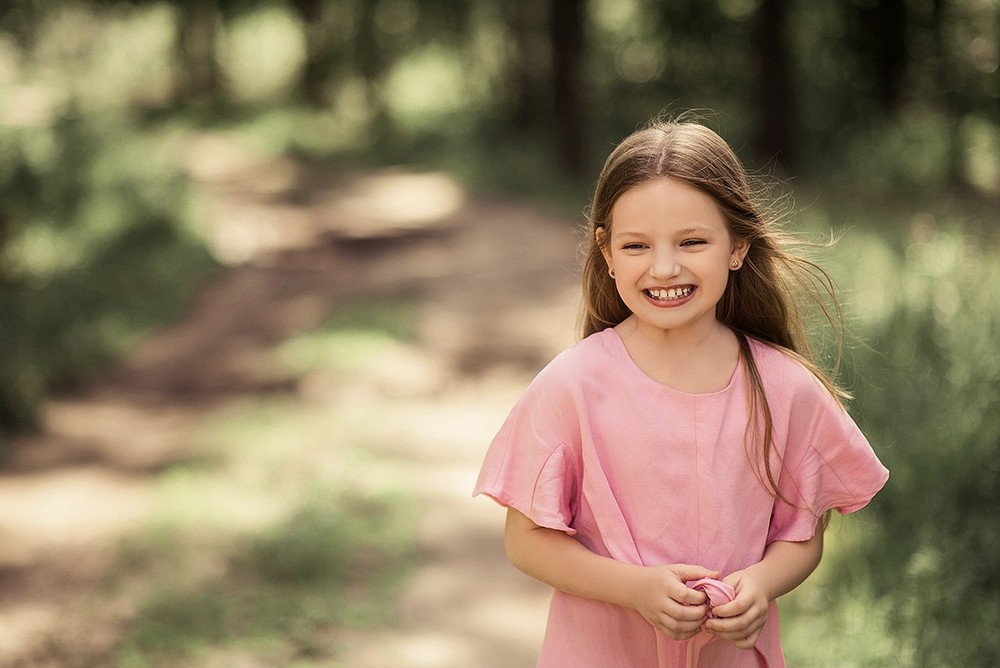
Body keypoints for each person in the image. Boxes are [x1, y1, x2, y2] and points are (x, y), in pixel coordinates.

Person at [472, 116, 889, 667]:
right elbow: (524, 541)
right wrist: (633, 589)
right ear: (607, 251)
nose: (664, 267)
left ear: (737, 246)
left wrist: (762, 584)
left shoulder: (785, 389)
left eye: (692, 241)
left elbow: (801, 535)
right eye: (637, 245)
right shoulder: (572, 386)